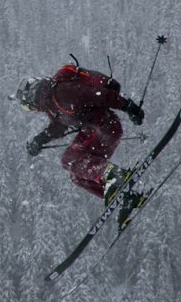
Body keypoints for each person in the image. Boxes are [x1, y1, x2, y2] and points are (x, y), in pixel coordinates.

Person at [14, 65, 145, 203]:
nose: (34, 110)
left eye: (29, 108)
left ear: (31, 100)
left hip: (104, 127)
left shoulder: (61, 92)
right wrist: (39, 140)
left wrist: (128, 106)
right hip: (99, 130)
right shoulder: (52, 104)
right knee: (77, 176)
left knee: (69, 159)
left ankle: (115, 175)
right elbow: (58, 126)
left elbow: (97, 95)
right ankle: (124, 197)